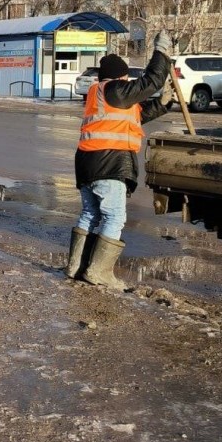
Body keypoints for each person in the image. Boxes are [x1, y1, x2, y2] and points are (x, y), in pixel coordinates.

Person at [65, 33, 172, 290]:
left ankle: (76, 266)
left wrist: (162, 104)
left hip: (88, 162)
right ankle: (99, 272)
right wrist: (162, 52)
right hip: (109, 163)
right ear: (120, 77)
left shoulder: (101, 93)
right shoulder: (115, 89)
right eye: (126, 77)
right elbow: (152, 79)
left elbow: (133, 119)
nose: (128, 81)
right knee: (114, 217)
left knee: (90, 214)